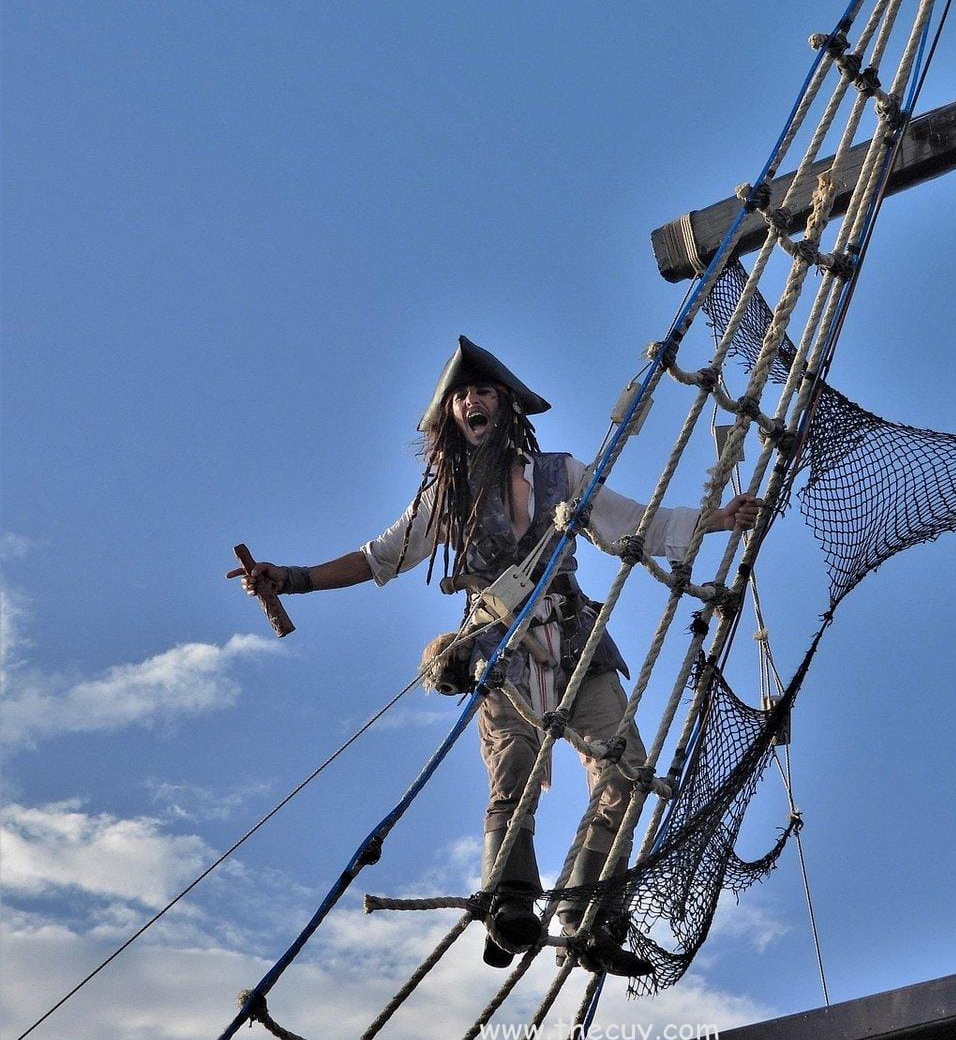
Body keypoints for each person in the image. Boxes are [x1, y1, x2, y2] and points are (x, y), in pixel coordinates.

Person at [230, 336, 759, 975]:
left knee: (626, 771)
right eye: (460, 396)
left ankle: (589, 911)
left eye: (482, 392)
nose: (471, 402)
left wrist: (717, 520)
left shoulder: (562, 475)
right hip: (498, 649)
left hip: (575, 644)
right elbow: (378, 558)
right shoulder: (445, 498)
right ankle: (509, 904)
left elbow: (632, 523)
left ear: (506, 407)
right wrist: (291, 579)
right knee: (513, 776)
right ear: (451, 419)